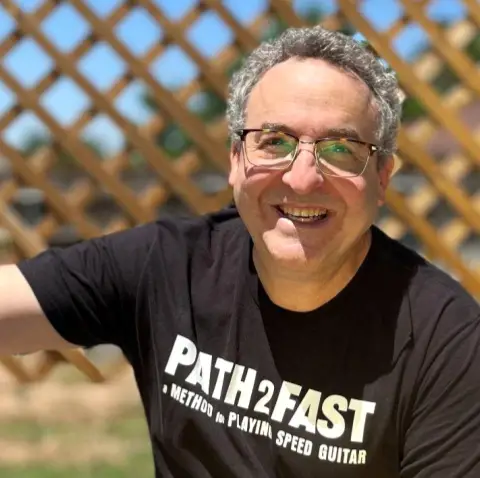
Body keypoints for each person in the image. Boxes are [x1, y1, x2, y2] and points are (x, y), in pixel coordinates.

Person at [0, 25, 479, 478]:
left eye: (341, 149)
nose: (302, 177)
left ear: (382, 179)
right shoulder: (167, 266)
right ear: (235, 161)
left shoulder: (447, 340)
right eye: (274, 142)